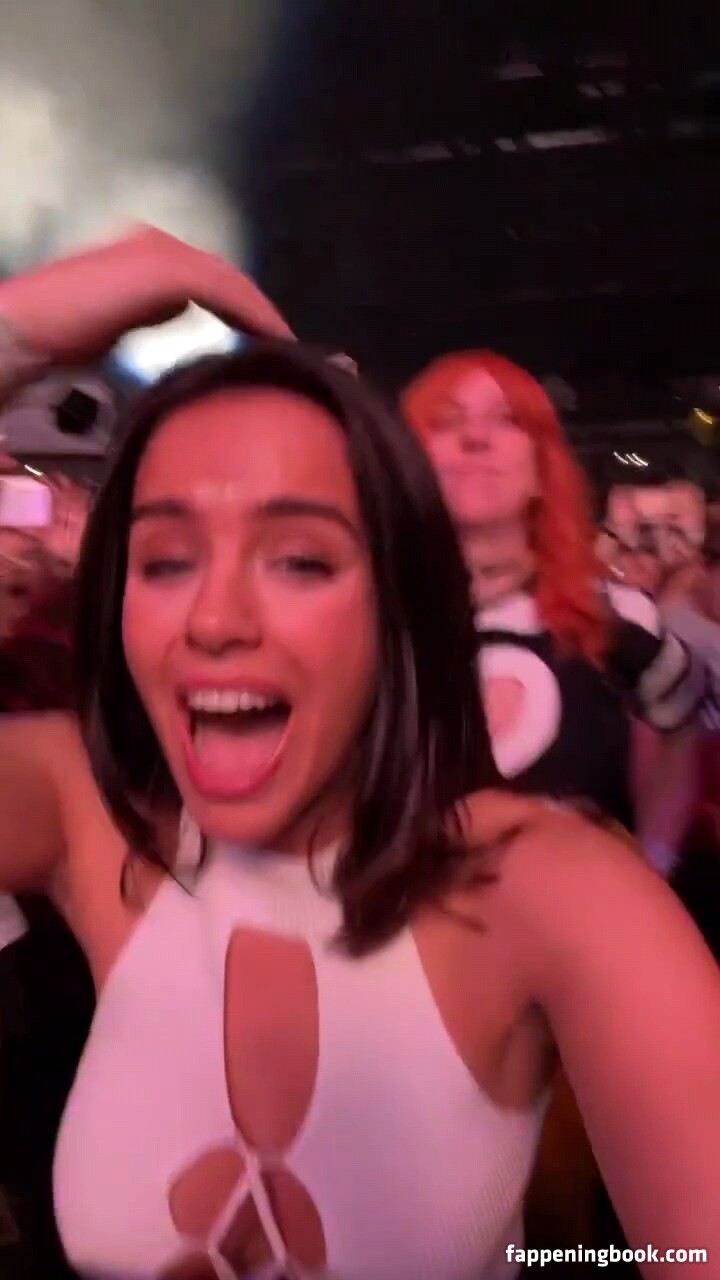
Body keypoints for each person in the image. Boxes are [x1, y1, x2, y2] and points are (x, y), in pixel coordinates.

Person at [0, 237, 718, 1280]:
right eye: (166, 559)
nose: (215, 617)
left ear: (399, 605)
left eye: (300, 559)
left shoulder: (560, 888)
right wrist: (16, 333)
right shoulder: (87, 811)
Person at [402, 351, 705, 865]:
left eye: (508, 420)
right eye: (446, 421)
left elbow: (682, 725)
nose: (475, 437)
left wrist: (654, 860)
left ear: (542, 468)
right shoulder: (365, 617)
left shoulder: (610, 612)